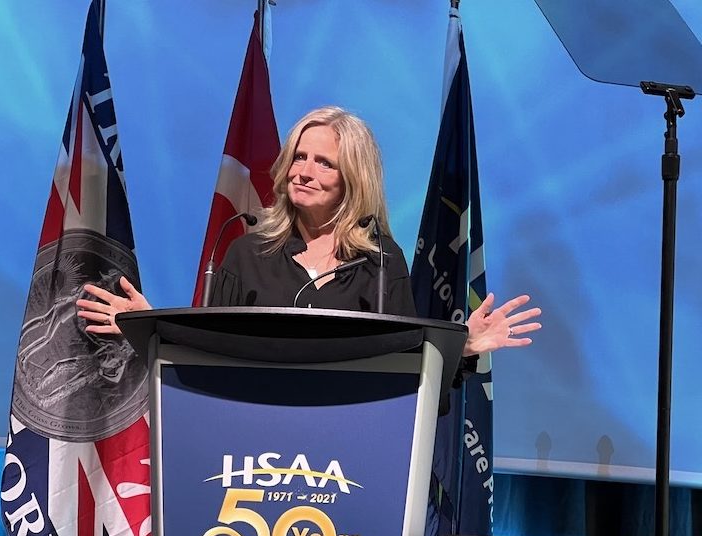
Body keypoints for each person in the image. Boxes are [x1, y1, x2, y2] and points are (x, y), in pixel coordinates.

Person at [77, 106, 541, 357]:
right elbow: (208, 353)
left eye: (323, 163)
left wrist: (463, 348)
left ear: (353, 179)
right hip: (245, 446)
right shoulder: (246, 250)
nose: (304, 171)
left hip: (343, 458)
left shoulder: (381, 263)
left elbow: (407, 362)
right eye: (299, 157)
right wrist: (148, 325)